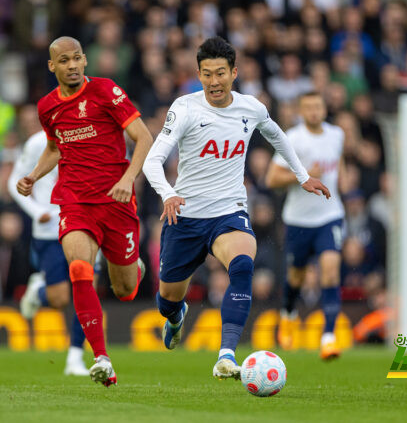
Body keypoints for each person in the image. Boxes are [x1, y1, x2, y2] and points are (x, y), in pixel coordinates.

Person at [142, 37, 329, 380]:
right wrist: (168, 193)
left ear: (234, 73)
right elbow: (152, 161)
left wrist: (302, 176)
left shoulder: (251, 107)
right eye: (207, 74)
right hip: (184, 215)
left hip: (229, 210)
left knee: (243, 264)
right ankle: (176, 315)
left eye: (221, 74)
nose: (214, 82)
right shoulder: (184, 108)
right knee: (168, 297)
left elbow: (277, 135)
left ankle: (226, 355)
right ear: (198, 74)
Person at [16, 36, 153, 387]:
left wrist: (128, 178)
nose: (72, 65)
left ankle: (131, 265)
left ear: (85, 60)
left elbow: (144, 138)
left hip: (116, 202)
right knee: (79, 268)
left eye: (77, 58)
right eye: (64, 60)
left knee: (125, 291)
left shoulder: (106, 91)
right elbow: (53, 147)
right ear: (53, 66)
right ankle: (101, 358)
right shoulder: (47, 106)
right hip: (75, 201)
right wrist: (33, 176)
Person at [265, 91, 346, 360]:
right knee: (296, 276)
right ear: (301, 110)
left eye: (318, 106)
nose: (313, 111)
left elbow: (337, 166)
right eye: (308, 107)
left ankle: (329, 337)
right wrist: (304, 176)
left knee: (331, 271)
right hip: (299, 219)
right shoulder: (293, 138)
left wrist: (341, 185)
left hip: (330, 215)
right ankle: (288, 314)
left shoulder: (337, 135)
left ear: (325, 108)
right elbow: (272, 179)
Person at [8, 130, 88, 376]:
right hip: (49, 228)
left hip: (84, 225)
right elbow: (15, 181)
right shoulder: (37, 142)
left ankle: (75, 357)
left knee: (85, 290)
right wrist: (35, 211)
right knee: (60, 299)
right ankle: (39, 291)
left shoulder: (89, 135)